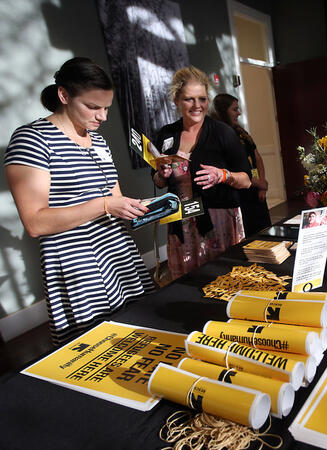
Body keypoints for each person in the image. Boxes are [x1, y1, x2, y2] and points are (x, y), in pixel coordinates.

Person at [4, 57, 154, 345]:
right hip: (78, 265)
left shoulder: (98, 140)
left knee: (141, 336)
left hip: (118, 254)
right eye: (93, 107)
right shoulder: (32, 139)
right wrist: (104, 205)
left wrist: (136, 209)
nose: (103, 117)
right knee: (99, 349)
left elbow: (114, 198)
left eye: (107, 108)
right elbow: (35, 222)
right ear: (64, 95)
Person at [152, 66, 251, 281]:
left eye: (203, 99)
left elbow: (246, 180)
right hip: (180, 222)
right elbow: (158, 181)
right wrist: (162, 175)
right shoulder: (166, 135)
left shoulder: (223, 132)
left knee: (224, 279)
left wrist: (223, 175)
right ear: (177, 100)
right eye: (189, 99)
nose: (197, 106)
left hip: (218, 220)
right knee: (188, 282)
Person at [213, 93, 271, 237]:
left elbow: (257, 157)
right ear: (223, 111)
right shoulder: (220, 135)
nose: (238, 113)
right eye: (234, 109)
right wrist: (259, 183)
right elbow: (229, 170)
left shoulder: (241, 132)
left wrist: (261, 185)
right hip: (240, 194)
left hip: (256, 191)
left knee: (265, 232)